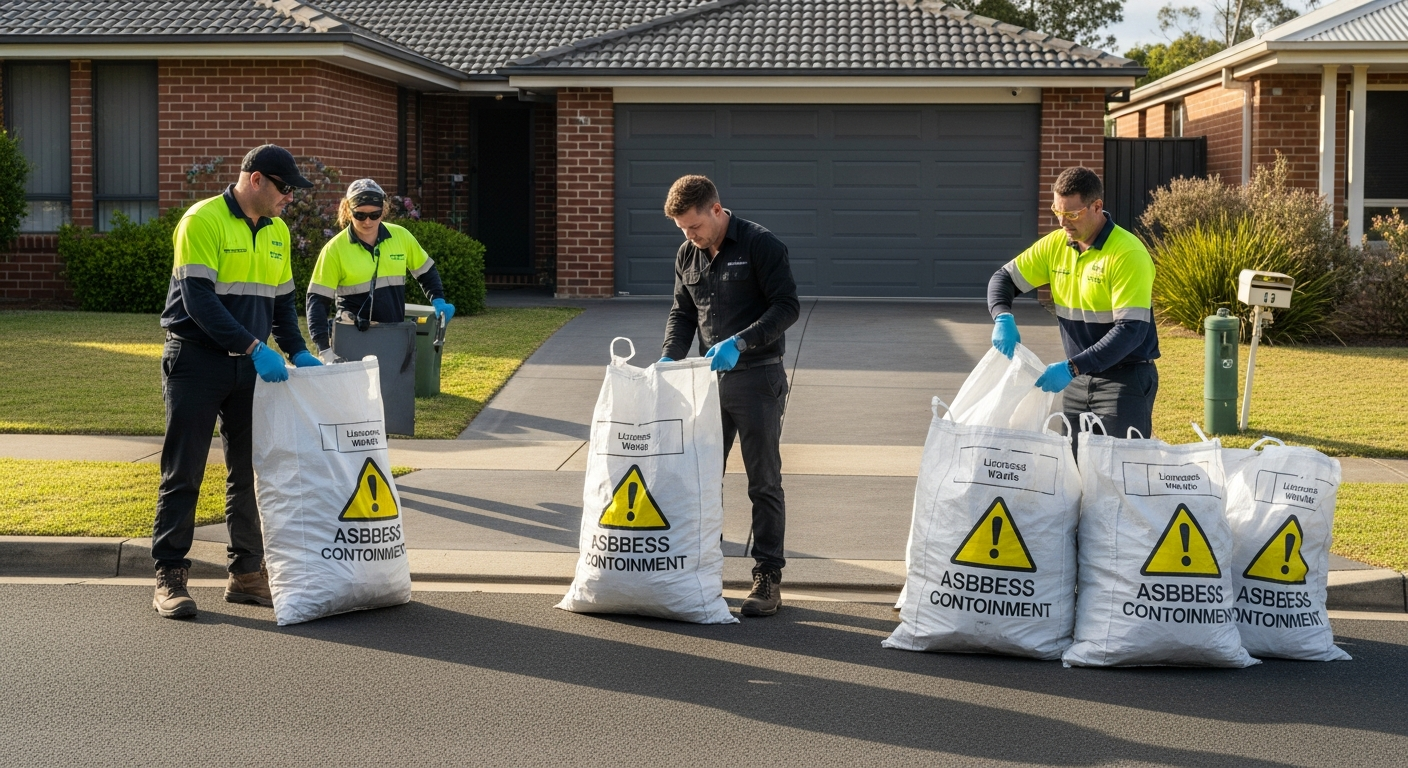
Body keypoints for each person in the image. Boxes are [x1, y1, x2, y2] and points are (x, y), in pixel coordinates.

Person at [154, 144, 323, 619]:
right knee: (183, 471)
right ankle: (170, 577)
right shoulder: (202, 221)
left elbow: (281, 304)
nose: (290, 197)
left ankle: (247, 574)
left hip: (252, 368)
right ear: (255, 180)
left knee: (248, 471)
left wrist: (298, 350)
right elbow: (198, 302)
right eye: (285, 188)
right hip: (195, 361)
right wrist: (254, 347)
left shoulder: (277, 233)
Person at [659, 175, 800, 617]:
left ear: (716, 211)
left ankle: (767, 578)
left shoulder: (762, 245)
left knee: (763, 481)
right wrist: (668, 359)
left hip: (758, 378)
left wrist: (740, 342)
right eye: (682, 229)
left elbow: (787, 306)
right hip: (706, 383)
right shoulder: (688, 254)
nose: (690, 236)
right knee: (701, 481)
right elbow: (683, 313)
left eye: (694, 226)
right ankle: (703, 569)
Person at [987, 166, 1159, 457]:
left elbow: (1131, 330)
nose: (1063, 222)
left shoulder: (1127, 254)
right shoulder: (1057, 245)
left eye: (1072, 214)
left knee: (1120, 473)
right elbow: (1003, 279)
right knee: (1075, 470)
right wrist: (1002, 316)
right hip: (1078, 381)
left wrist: (1072, 367)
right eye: (1057, 211)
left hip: (1124, 379)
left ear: (1097, 206)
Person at [305, 179, 452, 360]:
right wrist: (324, 349)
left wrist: (438, 299)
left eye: (374, 215)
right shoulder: (334, 249)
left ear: (383, 211)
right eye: (360, 215)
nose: (367, 222)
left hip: (393, 336)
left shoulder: (402, 237)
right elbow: (317, 301)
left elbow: (426, 271)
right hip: (352, 339)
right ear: (347, 211)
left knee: (391, 388)